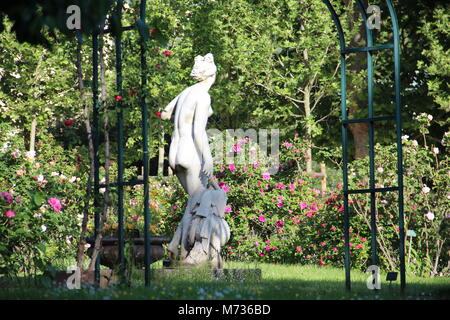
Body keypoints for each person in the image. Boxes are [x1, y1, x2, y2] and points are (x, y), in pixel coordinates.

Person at [161, 53, 217, 260]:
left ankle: (176, 247)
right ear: (212, 75)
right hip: (189, 150)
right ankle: (184, 251)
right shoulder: (203, 96)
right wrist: (208, 158)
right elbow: (198, 131)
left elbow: (165, 113)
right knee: (200, 200)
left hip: (174, 151)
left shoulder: (186, 92)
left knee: (194, 201)